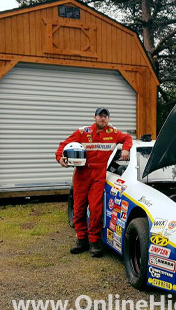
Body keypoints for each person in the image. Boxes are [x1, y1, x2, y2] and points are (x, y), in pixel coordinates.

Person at [55, 108, 133, 257]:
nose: (103, 119)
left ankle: (94, 242)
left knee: (96, 210)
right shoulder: (83, 132)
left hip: (99, 175)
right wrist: (60, 158)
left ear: (108, 119)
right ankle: (81, 240)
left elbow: (128, 138)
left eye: (105, 116)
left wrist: (126, 148)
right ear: (95, 117)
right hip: (82, 175)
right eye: (100, 116)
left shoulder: (114, 133)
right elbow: (63, 144)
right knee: (78, 208)